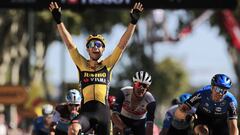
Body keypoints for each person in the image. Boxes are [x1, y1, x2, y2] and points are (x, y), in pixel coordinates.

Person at [49, 1, 143, 134]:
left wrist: (133, 23)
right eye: (91, 44)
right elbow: (69, 44)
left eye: (99, 44)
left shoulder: (107, 64)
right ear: (87, 49)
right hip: (86, 113)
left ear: (103, 49)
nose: (95, 46)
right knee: (73, 129)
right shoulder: (82, 64)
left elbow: (122, 45)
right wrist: (59, 21)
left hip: (103, 114)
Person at [174, 74, 239, 135]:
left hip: (220, 121)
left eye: (224, 91)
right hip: (203, 117)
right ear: (212, 87)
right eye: (218, 89)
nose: (220, 93)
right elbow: (181, 109)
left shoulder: (231, 101)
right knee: (202, 131)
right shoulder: (201, 93)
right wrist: (187, 116)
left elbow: (233, 126)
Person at [111, 71, 156, 135]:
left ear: (147, 88)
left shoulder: (151, 101)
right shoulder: (123, 92)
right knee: (116, 129)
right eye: (139, 84)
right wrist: (124, 128)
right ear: (133, 85)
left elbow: (150, 125)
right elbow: (114, 115)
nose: (141, 88)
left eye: (144, 85)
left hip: (139, 123)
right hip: (122, 119)